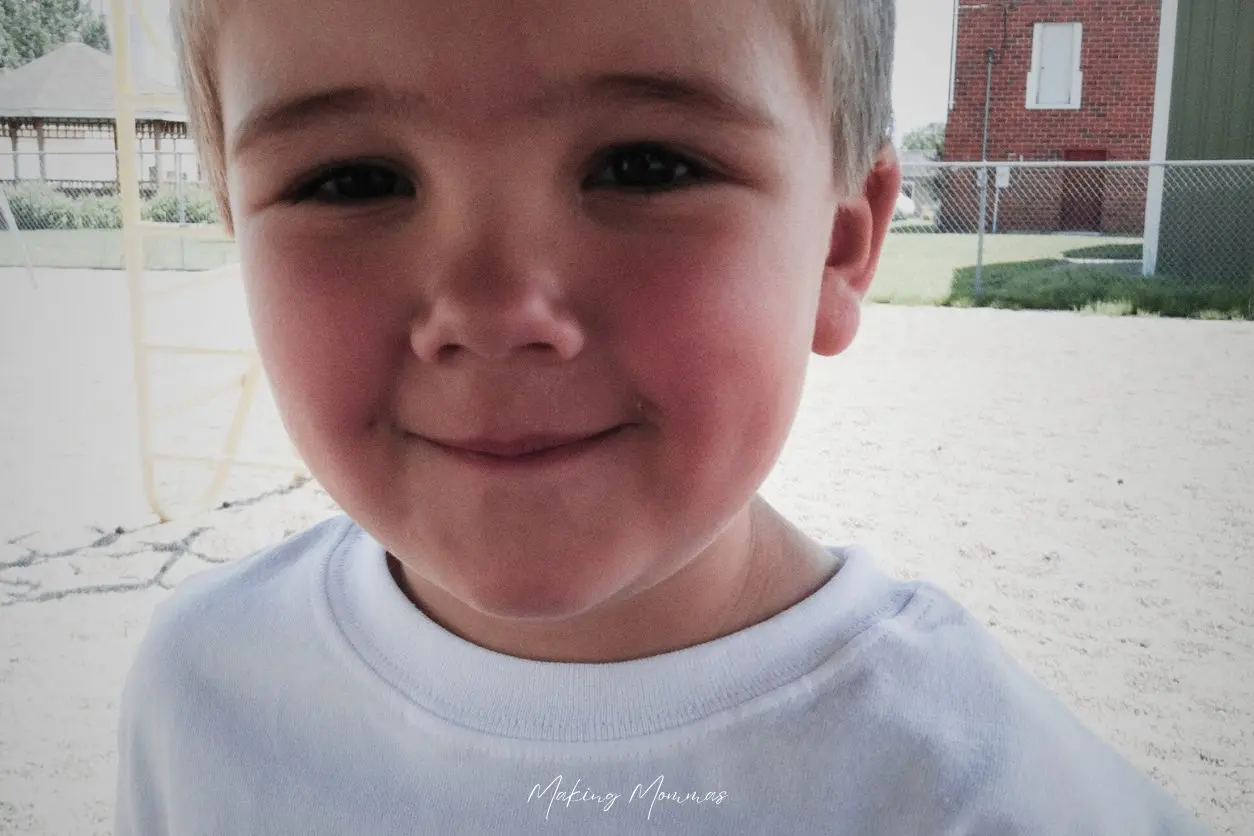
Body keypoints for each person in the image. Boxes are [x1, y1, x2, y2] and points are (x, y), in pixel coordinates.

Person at [114, 0, 1212, 832]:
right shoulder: (198, 695)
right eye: (350, 180)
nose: (493, 315)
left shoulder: (989, 795)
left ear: (838, 248)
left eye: (644, 164)